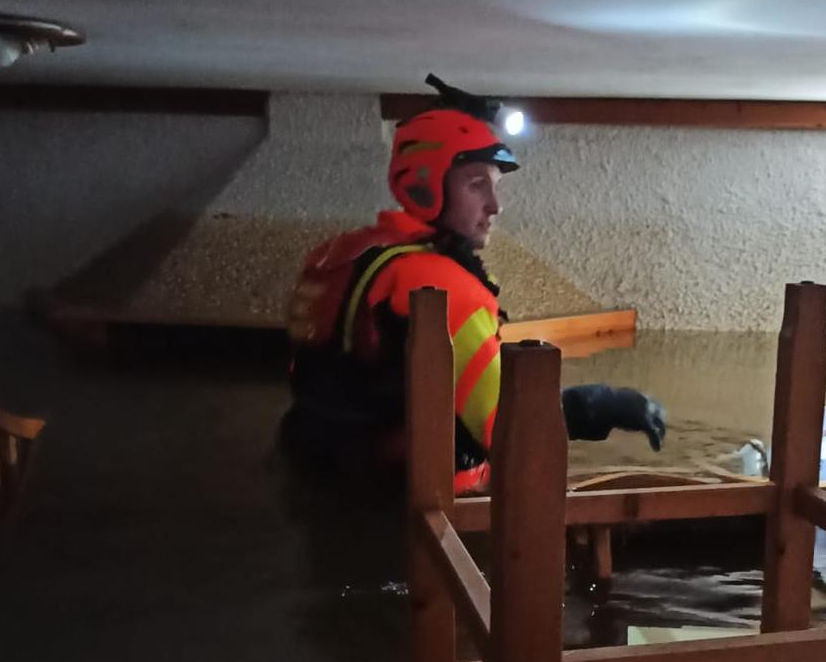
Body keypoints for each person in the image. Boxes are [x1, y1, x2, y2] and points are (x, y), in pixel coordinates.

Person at [281, 77, 666, 493]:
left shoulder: (347, 253)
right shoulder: (438, 284)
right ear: (427, 184)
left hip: (322, 478)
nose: (495, 206)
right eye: (477, 185)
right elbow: (507, 426)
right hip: (419, 500)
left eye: (495, 186)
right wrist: (600, 405)